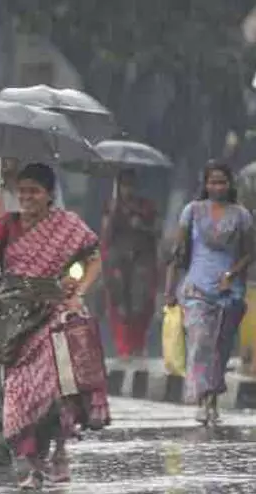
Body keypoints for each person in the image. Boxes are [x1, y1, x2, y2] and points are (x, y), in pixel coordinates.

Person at [0, 163, 110, 489]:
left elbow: (95, 259)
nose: (26, 197)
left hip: (54, 317)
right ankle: (32, 468)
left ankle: (60, 451)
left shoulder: (68, 225)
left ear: (50, 195)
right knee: (21, 396)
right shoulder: (6, 224)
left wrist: (78, 292)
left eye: (34, 191)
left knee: (54, 392)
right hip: (14, 323)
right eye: (22, 191)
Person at [0, 158, 64, 467]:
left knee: (39, 369)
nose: (27, 198)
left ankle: (38, 433)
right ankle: (1, 434)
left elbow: (70, 243)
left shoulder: (46, 193)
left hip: (40, 296)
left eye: (33, 193)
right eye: (1, 155)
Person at [164, 161, 253, 425]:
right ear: (204, 184)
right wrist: (169, 289)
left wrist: (232, 275)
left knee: (220, 348)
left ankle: (213, 398)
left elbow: (250, 252)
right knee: (200, 342)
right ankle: (202, 398)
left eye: (222, 182)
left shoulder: (242, 215)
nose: (217, 187)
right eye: (212, 182)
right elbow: (178, 253)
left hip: (230, 292)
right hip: (196, 289)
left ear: (230, 184)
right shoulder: (191, 211)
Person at [101, 169, 159, 359]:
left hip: (141, 262)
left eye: (130, 185)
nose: (128, 190)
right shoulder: (111, 206)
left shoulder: (146, 207)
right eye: (123, 185)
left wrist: (140, 225)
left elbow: (158, 232)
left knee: (140, 306)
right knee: (119, 307)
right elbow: (106, 236)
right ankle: (123, 348)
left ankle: (138, 346)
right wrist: (113, 214)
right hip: (119, 262)